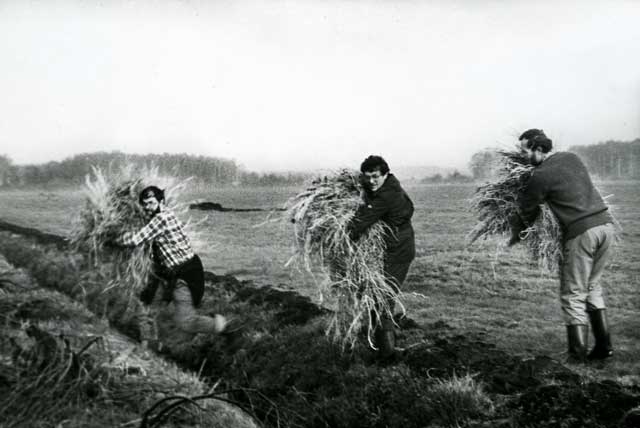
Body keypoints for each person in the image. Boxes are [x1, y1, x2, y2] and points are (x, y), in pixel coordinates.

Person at [509, 129, 616, 363]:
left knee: (573, 294)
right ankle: (604, 347)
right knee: (592, 286)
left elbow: (527, 210)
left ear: (538, 149)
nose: (523, 156)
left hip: (582, 233)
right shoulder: (571, 158)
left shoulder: (540, 176)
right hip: (606, 227)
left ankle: (577, 358)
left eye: (525, 151)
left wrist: (517, 233)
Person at [112, 185, 226, 343]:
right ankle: (150, 343)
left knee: (185, 323)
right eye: (144, 204)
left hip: (185, 273)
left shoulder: (162, 218)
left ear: (161, 202)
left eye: (151, 203)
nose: (147, 207)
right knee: (146, 304)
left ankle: (219, 325)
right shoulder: (158, 217)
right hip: (170, 273)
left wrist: (111, 237)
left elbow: (135, 239)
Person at [347, 155, 416, 358]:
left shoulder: (387, 196)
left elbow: (359, 224)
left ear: (385, 174)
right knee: (375, 296)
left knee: (383, 298)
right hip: (388, 249)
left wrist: (338, 232)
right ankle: (379, 344)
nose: (371, 181)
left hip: (399, 251)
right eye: (367, 177)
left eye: (375, 176)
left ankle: (387, 352)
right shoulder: (387, 186)